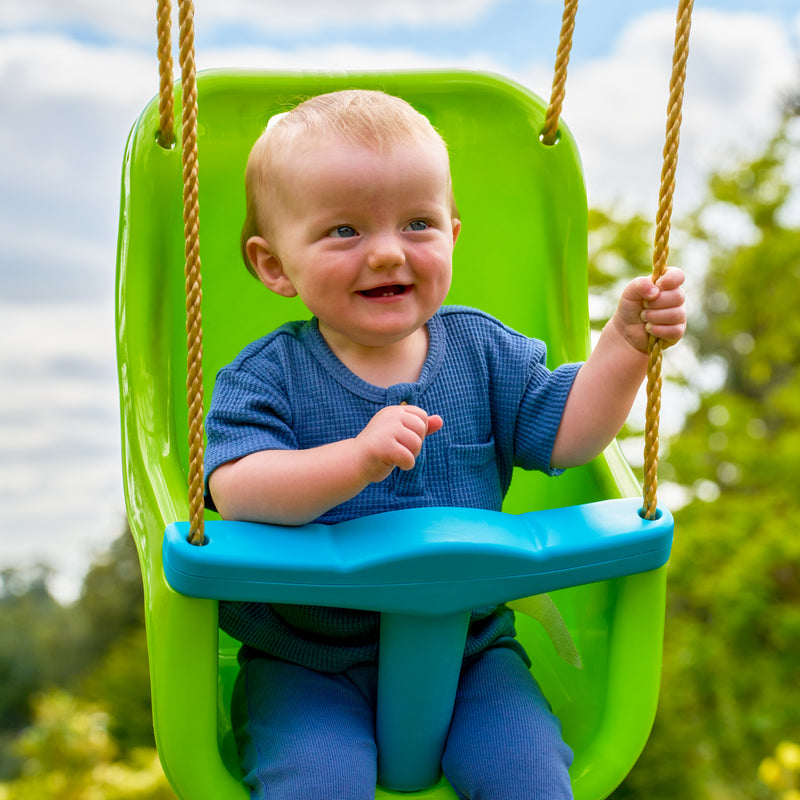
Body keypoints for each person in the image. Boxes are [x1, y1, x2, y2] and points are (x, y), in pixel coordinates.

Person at [204, 89, 686, 800]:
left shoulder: (482, 352)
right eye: (344, 231)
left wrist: (623, 346)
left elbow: (571, 435)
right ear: (274, 264)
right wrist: (355, 460)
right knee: (315, 783)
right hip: (305, 660)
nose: (389, 252)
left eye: (418, 223)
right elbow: (235, 490)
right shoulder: (264, 376)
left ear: (453, 236)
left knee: (529, 776)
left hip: (470, 649)